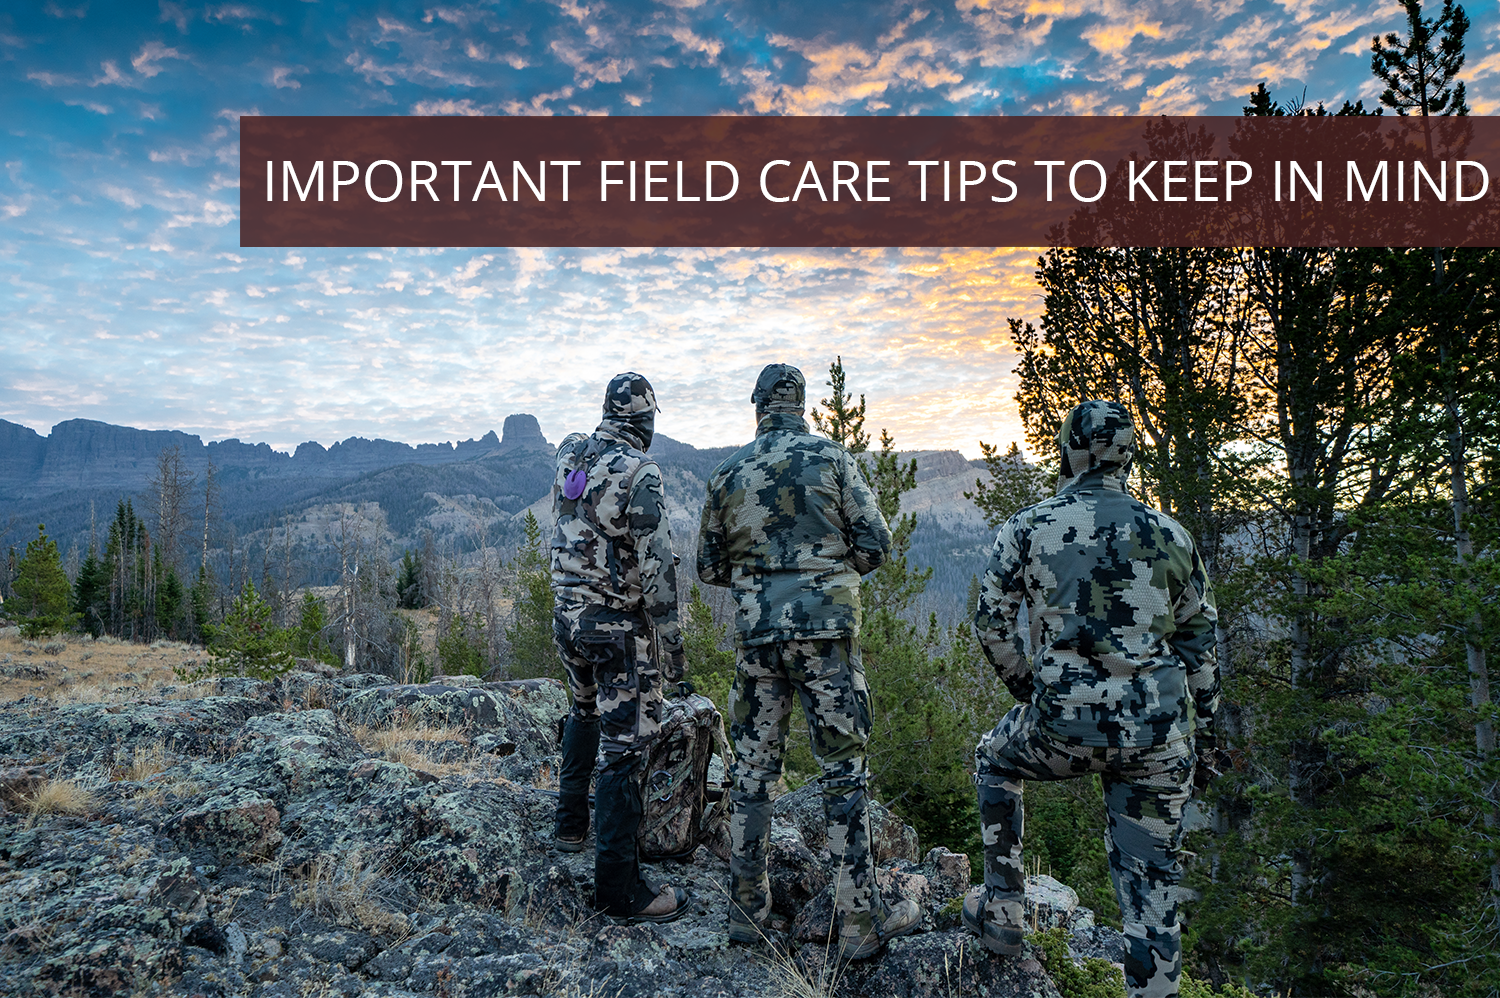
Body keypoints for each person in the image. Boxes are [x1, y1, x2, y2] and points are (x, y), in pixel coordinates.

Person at [964, 400, 1223, 998]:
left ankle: (1003, 909)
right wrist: (1201, 731)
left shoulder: (1029, 528)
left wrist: (1031, 691)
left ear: (1069, 452)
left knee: (995, 759)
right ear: (1129, 457)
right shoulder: (1170, 534)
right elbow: (1199, 641)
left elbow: (991, 625)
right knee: (1152, 896)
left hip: (1064, 727)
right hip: (1159, 736)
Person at [697, 363, 921, 960]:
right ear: (802, 405)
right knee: (843, 772)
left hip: (759, 640)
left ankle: (747, 909)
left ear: (757, 406)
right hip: (826, 639)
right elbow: (876, 543)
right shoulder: (834, 460)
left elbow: (709, 567)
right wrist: (826, 574)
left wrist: (760, 581)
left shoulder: (728, 472)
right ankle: (857, 923)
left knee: (752, 772)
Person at [551, 371, 688, 925]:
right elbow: (657, 571)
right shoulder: (642, 472)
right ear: (647, 420)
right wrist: (674, 651)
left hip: (567, 615)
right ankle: (619, 888)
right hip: (616, 630)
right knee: (625, 747)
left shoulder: (568, 452)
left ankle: (568, 825)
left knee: (582, 711)